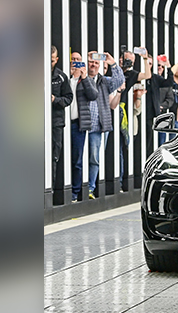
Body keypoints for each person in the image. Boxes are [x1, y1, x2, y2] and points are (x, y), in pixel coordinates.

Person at [83, 51, 124, 199]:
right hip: (80, 124)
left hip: (98, 127)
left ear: (100, 65)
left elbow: (120, 80)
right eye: (90, 61)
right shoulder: (80, 78)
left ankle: (90, 188)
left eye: (95, 63)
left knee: (94, 158)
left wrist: (112, 62)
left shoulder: (104, 81)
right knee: (79, 158)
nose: (93, 65)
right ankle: (79, 187)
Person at [109, 49, 152, 190]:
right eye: (124, 59)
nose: (125, 62)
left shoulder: (132, 74)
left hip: (123, 114)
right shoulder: (113, 70)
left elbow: (147, 75)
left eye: (129, 61)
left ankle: (121, 181)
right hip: (109, 109)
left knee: (123, 147)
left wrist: (145, 59)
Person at [143, 52, 178, 155]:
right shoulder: (142, 76)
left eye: (161, 66)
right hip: (144, 114)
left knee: (160, 145)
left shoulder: (157, 79)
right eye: (157, 65)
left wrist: (169, 66)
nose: (160, 67)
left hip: (156, 116)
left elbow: (169, 84)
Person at [69, 52, 97, 202]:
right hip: (63, 124)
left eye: (78, 60)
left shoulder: (86, 80)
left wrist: (84, 77)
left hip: (78, 124)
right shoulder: (64, 78)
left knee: (77, 160)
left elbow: (93, 95)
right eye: (73, 60)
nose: (75, 63)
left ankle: (75, 191)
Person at [50, 46, 73, 191]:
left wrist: (55, 100)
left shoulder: (61, 77)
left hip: (56, 123)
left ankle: (50, 188)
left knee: (54, 156)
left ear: (56, 60)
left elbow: (69, 98)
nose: (48, 63)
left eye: (51, 61)